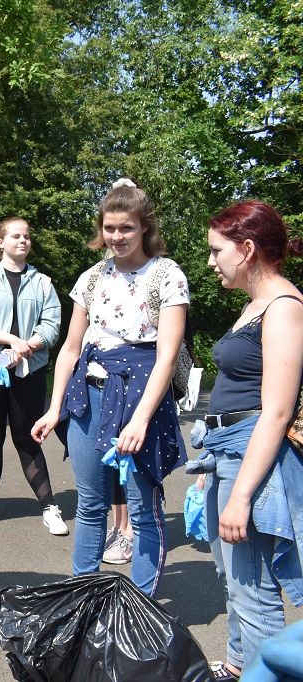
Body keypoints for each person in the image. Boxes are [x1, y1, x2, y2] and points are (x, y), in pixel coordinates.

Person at [31, 178, 189, 597]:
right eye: (110, 228)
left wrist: (140, 420)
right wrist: (53, 408)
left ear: (145, 229)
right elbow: (68, 349)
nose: (116, 237)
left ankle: (141, 607)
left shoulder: (166, 274)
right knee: (90, 504)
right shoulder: (90, 277)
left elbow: (167, 357)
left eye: (126, 228)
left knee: (142, 509)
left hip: (141, 396)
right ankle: (80, 597)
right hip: (89, 395)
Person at [198, 201, 303, 681]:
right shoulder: (253, 305)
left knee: (254, 590)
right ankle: (240, 664)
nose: (211, 260)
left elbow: (277, 412)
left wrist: (240, 495)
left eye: (216, 250)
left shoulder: (284, 308)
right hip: (226, 452)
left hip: (251, 457)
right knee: (232, 578)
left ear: (246, 249)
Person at [0, 217, 67, 535]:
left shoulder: (43, 283)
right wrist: (11, 341)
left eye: (27, 236)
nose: (23, 240)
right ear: (1, 242)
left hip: (29, 371)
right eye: (16, 236)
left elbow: (51, 326)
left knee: (27, 438)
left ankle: (50, 507)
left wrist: (28, 346)